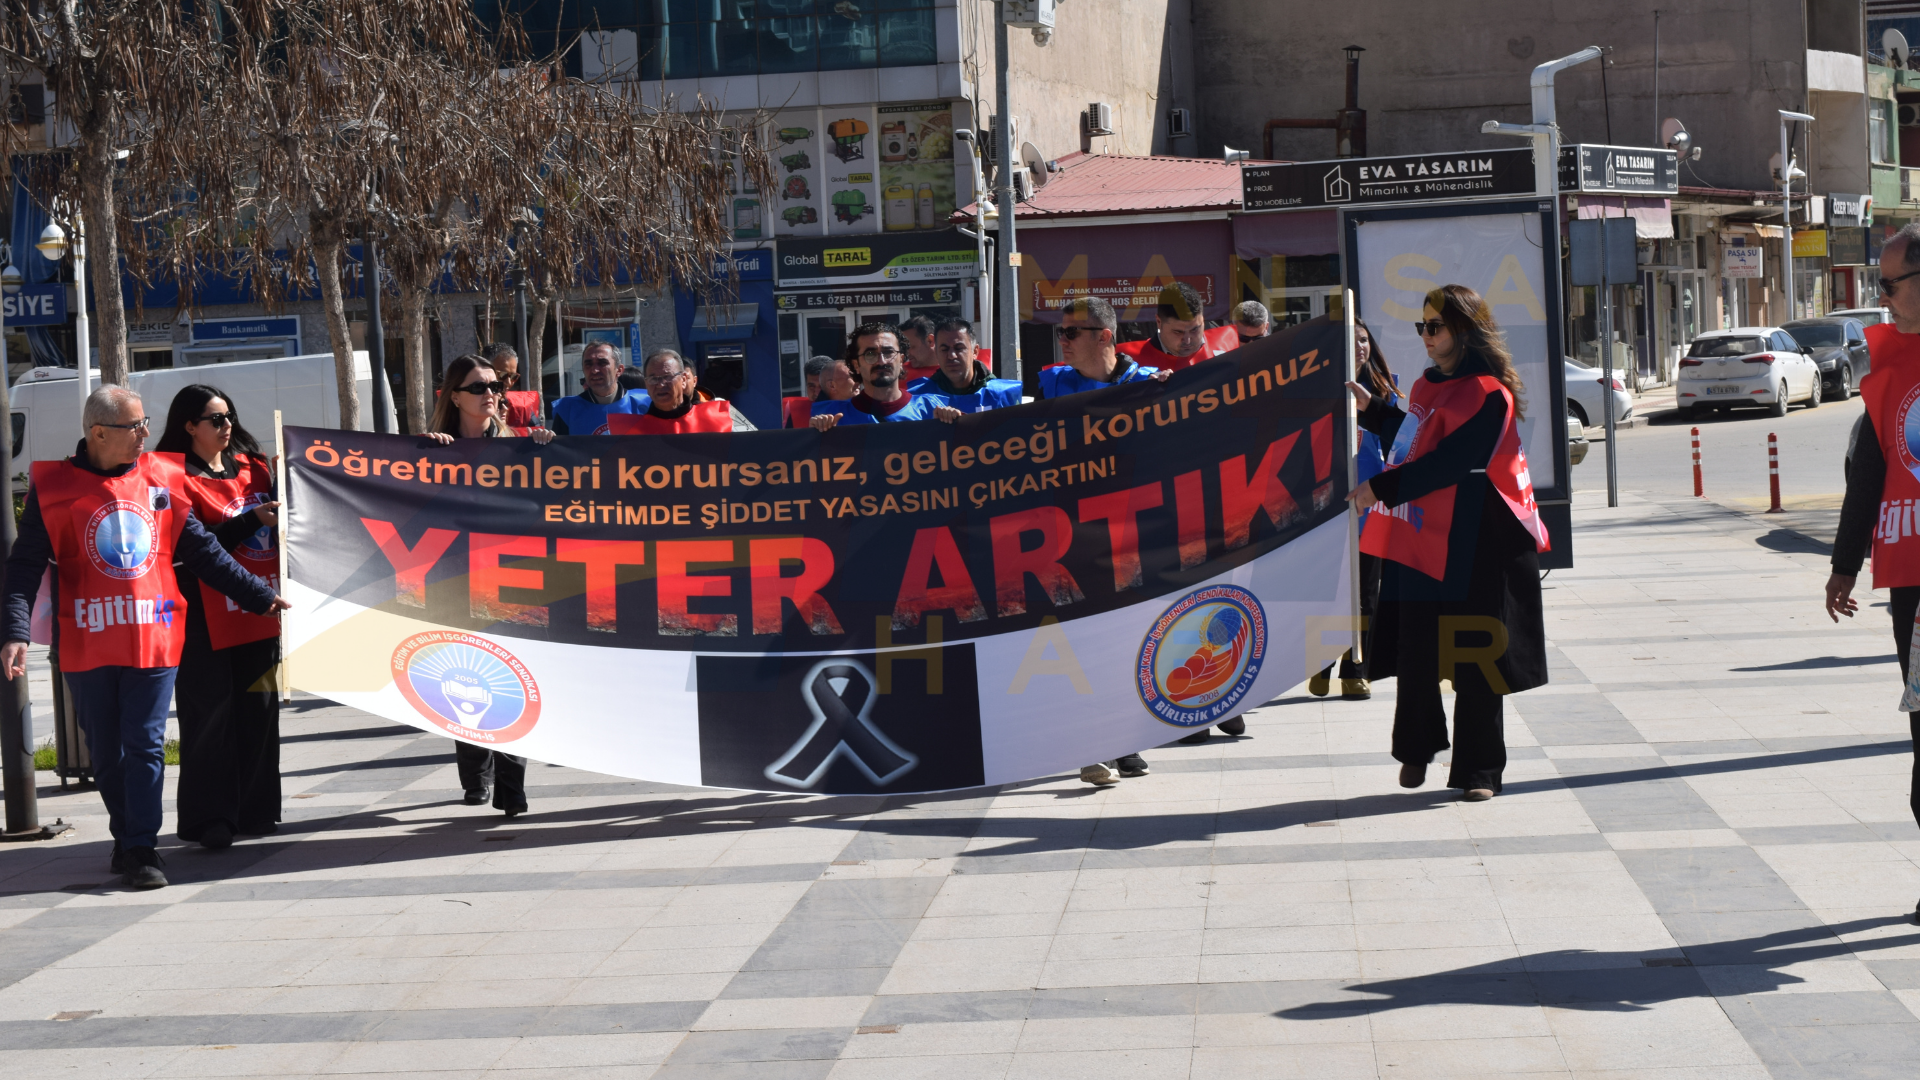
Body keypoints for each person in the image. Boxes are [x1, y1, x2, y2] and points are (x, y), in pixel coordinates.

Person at [1, 386, 288, 888]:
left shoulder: (160, 477)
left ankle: (142, 847)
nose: (145, 434)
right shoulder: (55, 487)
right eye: (134, 426)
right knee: (106, 750)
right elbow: (24, 568)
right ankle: (126, 833)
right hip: (88, 638)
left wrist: (257, 595)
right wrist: (15, 632)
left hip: (154, 636)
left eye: (144, 423)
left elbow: (201, 551)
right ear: (97, 434)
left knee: (146, 744)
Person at [1348, 285, 1549, 802]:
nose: (1426, 336)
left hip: (1478, 539)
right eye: (1422, 326)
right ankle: (1416, 750)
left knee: (1475, 654)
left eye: (1434, 327)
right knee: (1417, 649)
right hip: (1421, 533)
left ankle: (1480, 770)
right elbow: (1414, 442)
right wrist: (1374, 411)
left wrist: (1379, 489)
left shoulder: (1488, 392)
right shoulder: (1423, 384)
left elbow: (1451, 461)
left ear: (1464, 329)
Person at [1828, 222, 1920, 920]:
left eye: (1888, 284)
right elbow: (1868, 474)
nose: (1879, 297)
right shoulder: (1887, 370)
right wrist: (1844, 565)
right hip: (1915, 584)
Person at [1040, 297, 1170, 782]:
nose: (1063, 341)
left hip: (1136, 534)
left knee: (1131, 641)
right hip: (1074, 535)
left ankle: (1125, 739)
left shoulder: (1149, 385)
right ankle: (1091, 743)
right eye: (1061, 333)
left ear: (1106, 336)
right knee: (1084, 641)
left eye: (1073, 333)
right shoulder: (1052, 383)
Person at [152, 386, 285, 851]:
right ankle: (211, 819)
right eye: (215, 419)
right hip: (202, 617)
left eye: (229, 416)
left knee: (260, 714)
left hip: (259, 613)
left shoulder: (256, 468)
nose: (227, 425)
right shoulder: (170, 476)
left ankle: (257, 809)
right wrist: (252, 522)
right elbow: (194, 551)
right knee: (209, 717)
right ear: (189, 426)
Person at [423, 355, 553, 816]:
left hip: (512, 580)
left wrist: (544, 449)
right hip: (454, 582)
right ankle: (475, 774)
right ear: (454, 396)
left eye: (495, 385)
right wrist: (425, 453)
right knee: (467, 677)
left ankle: (512, 788)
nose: (490, 394)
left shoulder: (520, 443)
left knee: (513, 676)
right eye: (478, 387)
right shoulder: (432, 447)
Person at [1309, 317, 1391, 703]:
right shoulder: (1317, 389)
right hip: (1329, 509)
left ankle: (1356, 668)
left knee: (1366, 592)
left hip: (1371, 506)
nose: (1360, 347)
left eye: (1364, 340)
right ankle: (1322, 663)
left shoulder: (1384, 392)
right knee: (1331, 590)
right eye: (1352, 341)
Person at [810, 323, 960, 429]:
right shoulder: (833, 417)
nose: (881, 361)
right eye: (870, 354)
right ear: (856, 365)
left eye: (888, 353)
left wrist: (957, 425)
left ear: (901, 360)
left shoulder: (933, 409)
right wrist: (814, 437)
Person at [608, 351, 756, 434]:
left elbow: (756, 450)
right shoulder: (629, 431)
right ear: (646, 383)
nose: (660, 384)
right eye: (653, 379)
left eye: (667, 377)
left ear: (684, 379)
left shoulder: (722, 416)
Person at [1115, 282, 1239, 372]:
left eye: (1195, 329)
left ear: (1203, 318)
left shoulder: (1232, 340)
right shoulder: (1126, 361)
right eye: (1178, 332)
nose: (1187, 340)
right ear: (1159, 322)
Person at [907, 318, 1023, 413]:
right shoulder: (917, 397)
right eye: (944, 349)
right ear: (936, 352)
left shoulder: (1005, 395)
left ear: (975, 351)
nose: (951, 355)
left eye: (959, 348)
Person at [550, 341, 649, 434]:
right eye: (588, 364)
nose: (594, 370)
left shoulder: (644, 404)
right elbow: (558, 450)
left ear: (619, 370)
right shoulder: (567, 410)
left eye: (602, 363)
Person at [481, 341, 544, 432]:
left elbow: (537, 436)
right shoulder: (470, 404)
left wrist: (543, 435)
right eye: (502, 375)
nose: (508, 382)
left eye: (513, 377)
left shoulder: (522, 407)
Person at [899, 314, 941, 382]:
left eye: (910, 347)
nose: (906, 353)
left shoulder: (952, 374)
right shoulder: (899, 373)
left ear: (930, 341)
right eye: (904, 347)